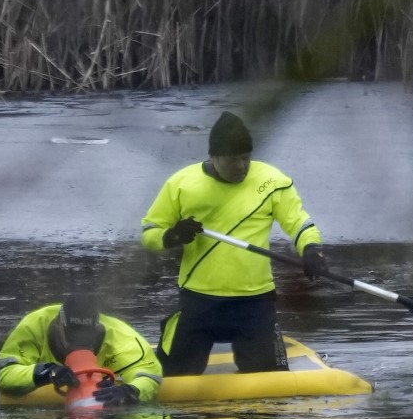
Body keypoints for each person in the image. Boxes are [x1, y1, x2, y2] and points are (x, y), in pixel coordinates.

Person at [140, 110, 329, 376]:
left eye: (246, 158)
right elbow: (149, 233)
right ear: (214, 157)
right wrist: (173, 236)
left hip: (254, 303)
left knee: (271, 385)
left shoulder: (273, 182)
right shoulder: (182, 184)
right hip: (198, 302)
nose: (242, 166)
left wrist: (312, 250)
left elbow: (300, 223)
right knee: (170, 379)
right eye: (233, 160)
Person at [0, 293, 162, 406]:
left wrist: (128, 391)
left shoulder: (123, 339)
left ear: (97, 328)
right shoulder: (34, 326)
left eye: (85, 336)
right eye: (73, 335)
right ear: (59, 325)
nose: (79, 343)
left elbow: (149, 374)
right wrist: (46, 372)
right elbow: (6, 374)